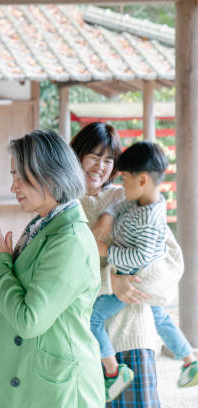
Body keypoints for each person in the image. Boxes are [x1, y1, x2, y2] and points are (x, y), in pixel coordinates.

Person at [0, 129, 105, 407]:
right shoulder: (39, 230)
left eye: (20, 176)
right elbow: (2, 315)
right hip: (27, 376)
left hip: (60, 388)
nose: (14, 187)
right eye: (13, 176)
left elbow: (28, 320)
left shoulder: (69, 240)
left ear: (50, 174)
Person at [71, 122, 187, 407]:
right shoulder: (63, 204)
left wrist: (121, 274)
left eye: (109, 159)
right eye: (94, 156)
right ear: (77, 155)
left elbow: (169, 262)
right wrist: (111, 279)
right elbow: (63, 273)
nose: (101, 166)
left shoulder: (130, 197)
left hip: (131, 335)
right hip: (80, 342)